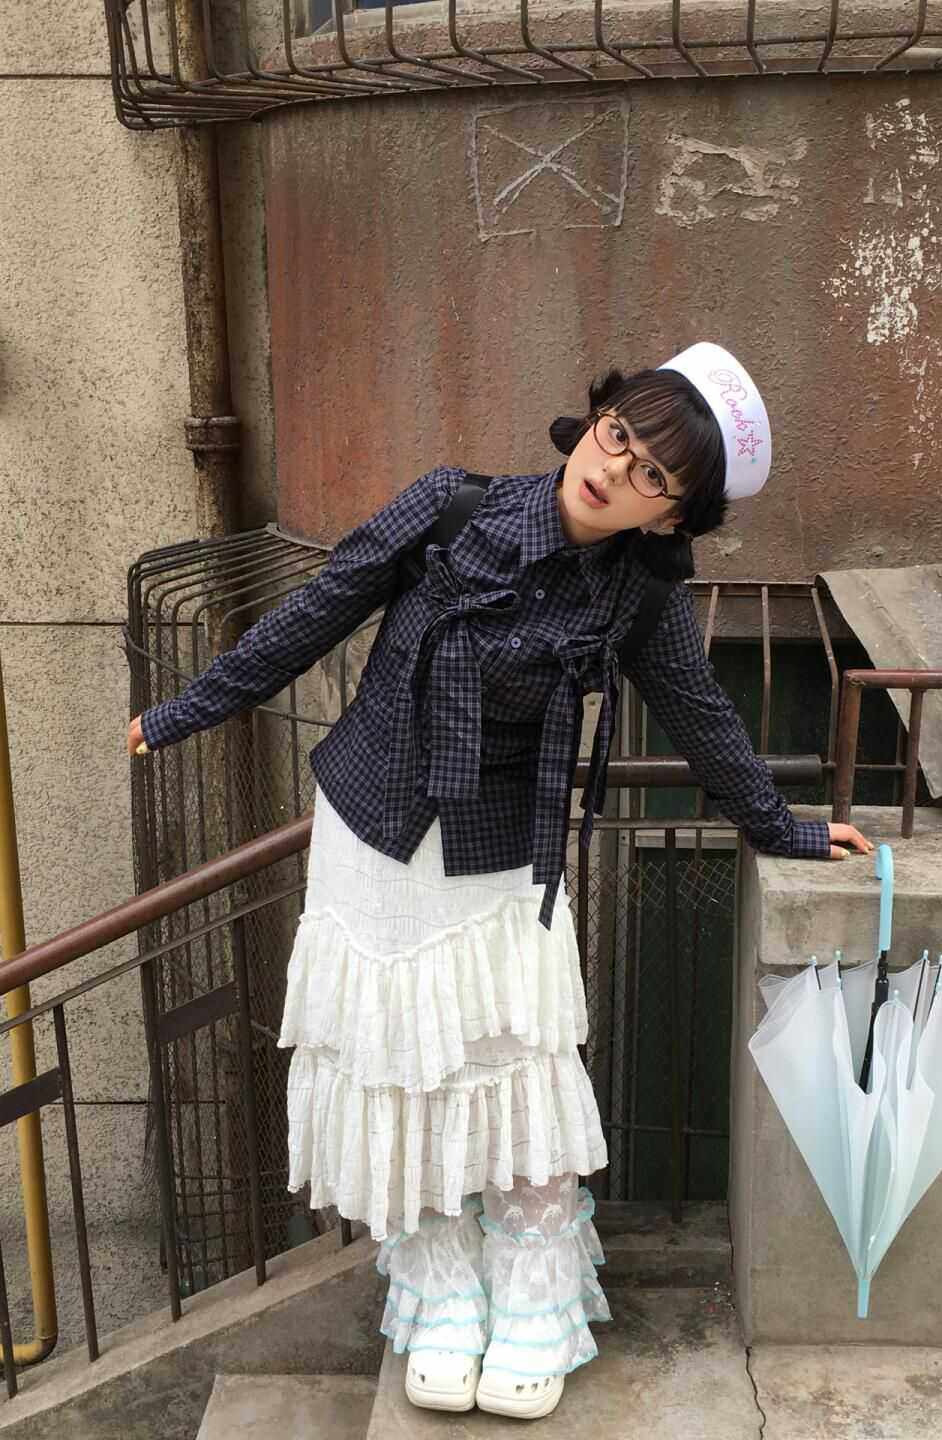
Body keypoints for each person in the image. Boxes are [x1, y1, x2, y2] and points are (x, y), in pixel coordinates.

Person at [128, 341, 871, 1419]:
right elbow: (318, 610)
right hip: (371, 835)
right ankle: (438, 1293)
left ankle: (531, 1300)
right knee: (399, 1067)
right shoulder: (450, 510)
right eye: (620, 435)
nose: (615, 470)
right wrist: (186, 710)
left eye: (653, 475)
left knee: (516, 1065)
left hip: (501, 857)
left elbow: (700, 714)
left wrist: (779, 826)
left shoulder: (641, 598)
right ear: (596, 418)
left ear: (671, 516)